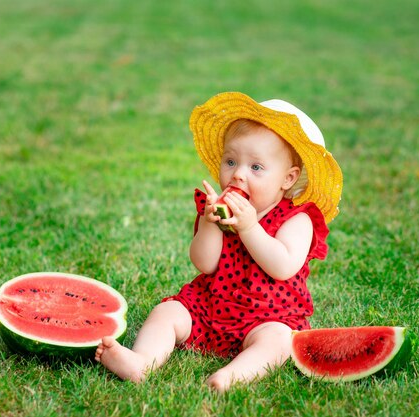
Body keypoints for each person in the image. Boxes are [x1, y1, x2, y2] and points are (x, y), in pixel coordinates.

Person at [95, 92, 343, 392]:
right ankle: (141, 362)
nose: (237, 175)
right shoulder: (216, 209)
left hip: (268, 315)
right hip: (211, 306)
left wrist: (250, 227)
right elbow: (204, 262)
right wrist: (211, 224)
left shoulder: (297, 219)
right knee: (168, 313)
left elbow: (283, 266)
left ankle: (230, 377)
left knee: (280, 341)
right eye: (231, 161)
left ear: (288, 178)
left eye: (256, 168)